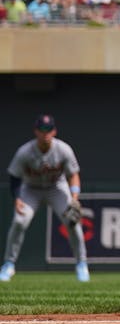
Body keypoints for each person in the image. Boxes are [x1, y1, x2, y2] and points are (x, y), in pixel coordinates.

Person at [3, 114, 88, 282]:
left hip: (56, 187)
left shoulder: (63, 149)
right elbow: (14, 177)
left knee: (73, 222)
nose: (45, 133)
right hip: (31, 189)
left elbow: (73, 174)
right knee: (20, 221)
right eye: (42, 129)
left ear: (54, 131)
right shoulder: (25, 152)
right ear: (36, 131)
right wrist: (17, 198)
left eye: (48, 129)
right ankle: (8, 264)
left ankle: (81, 264)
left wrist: (74, 197)